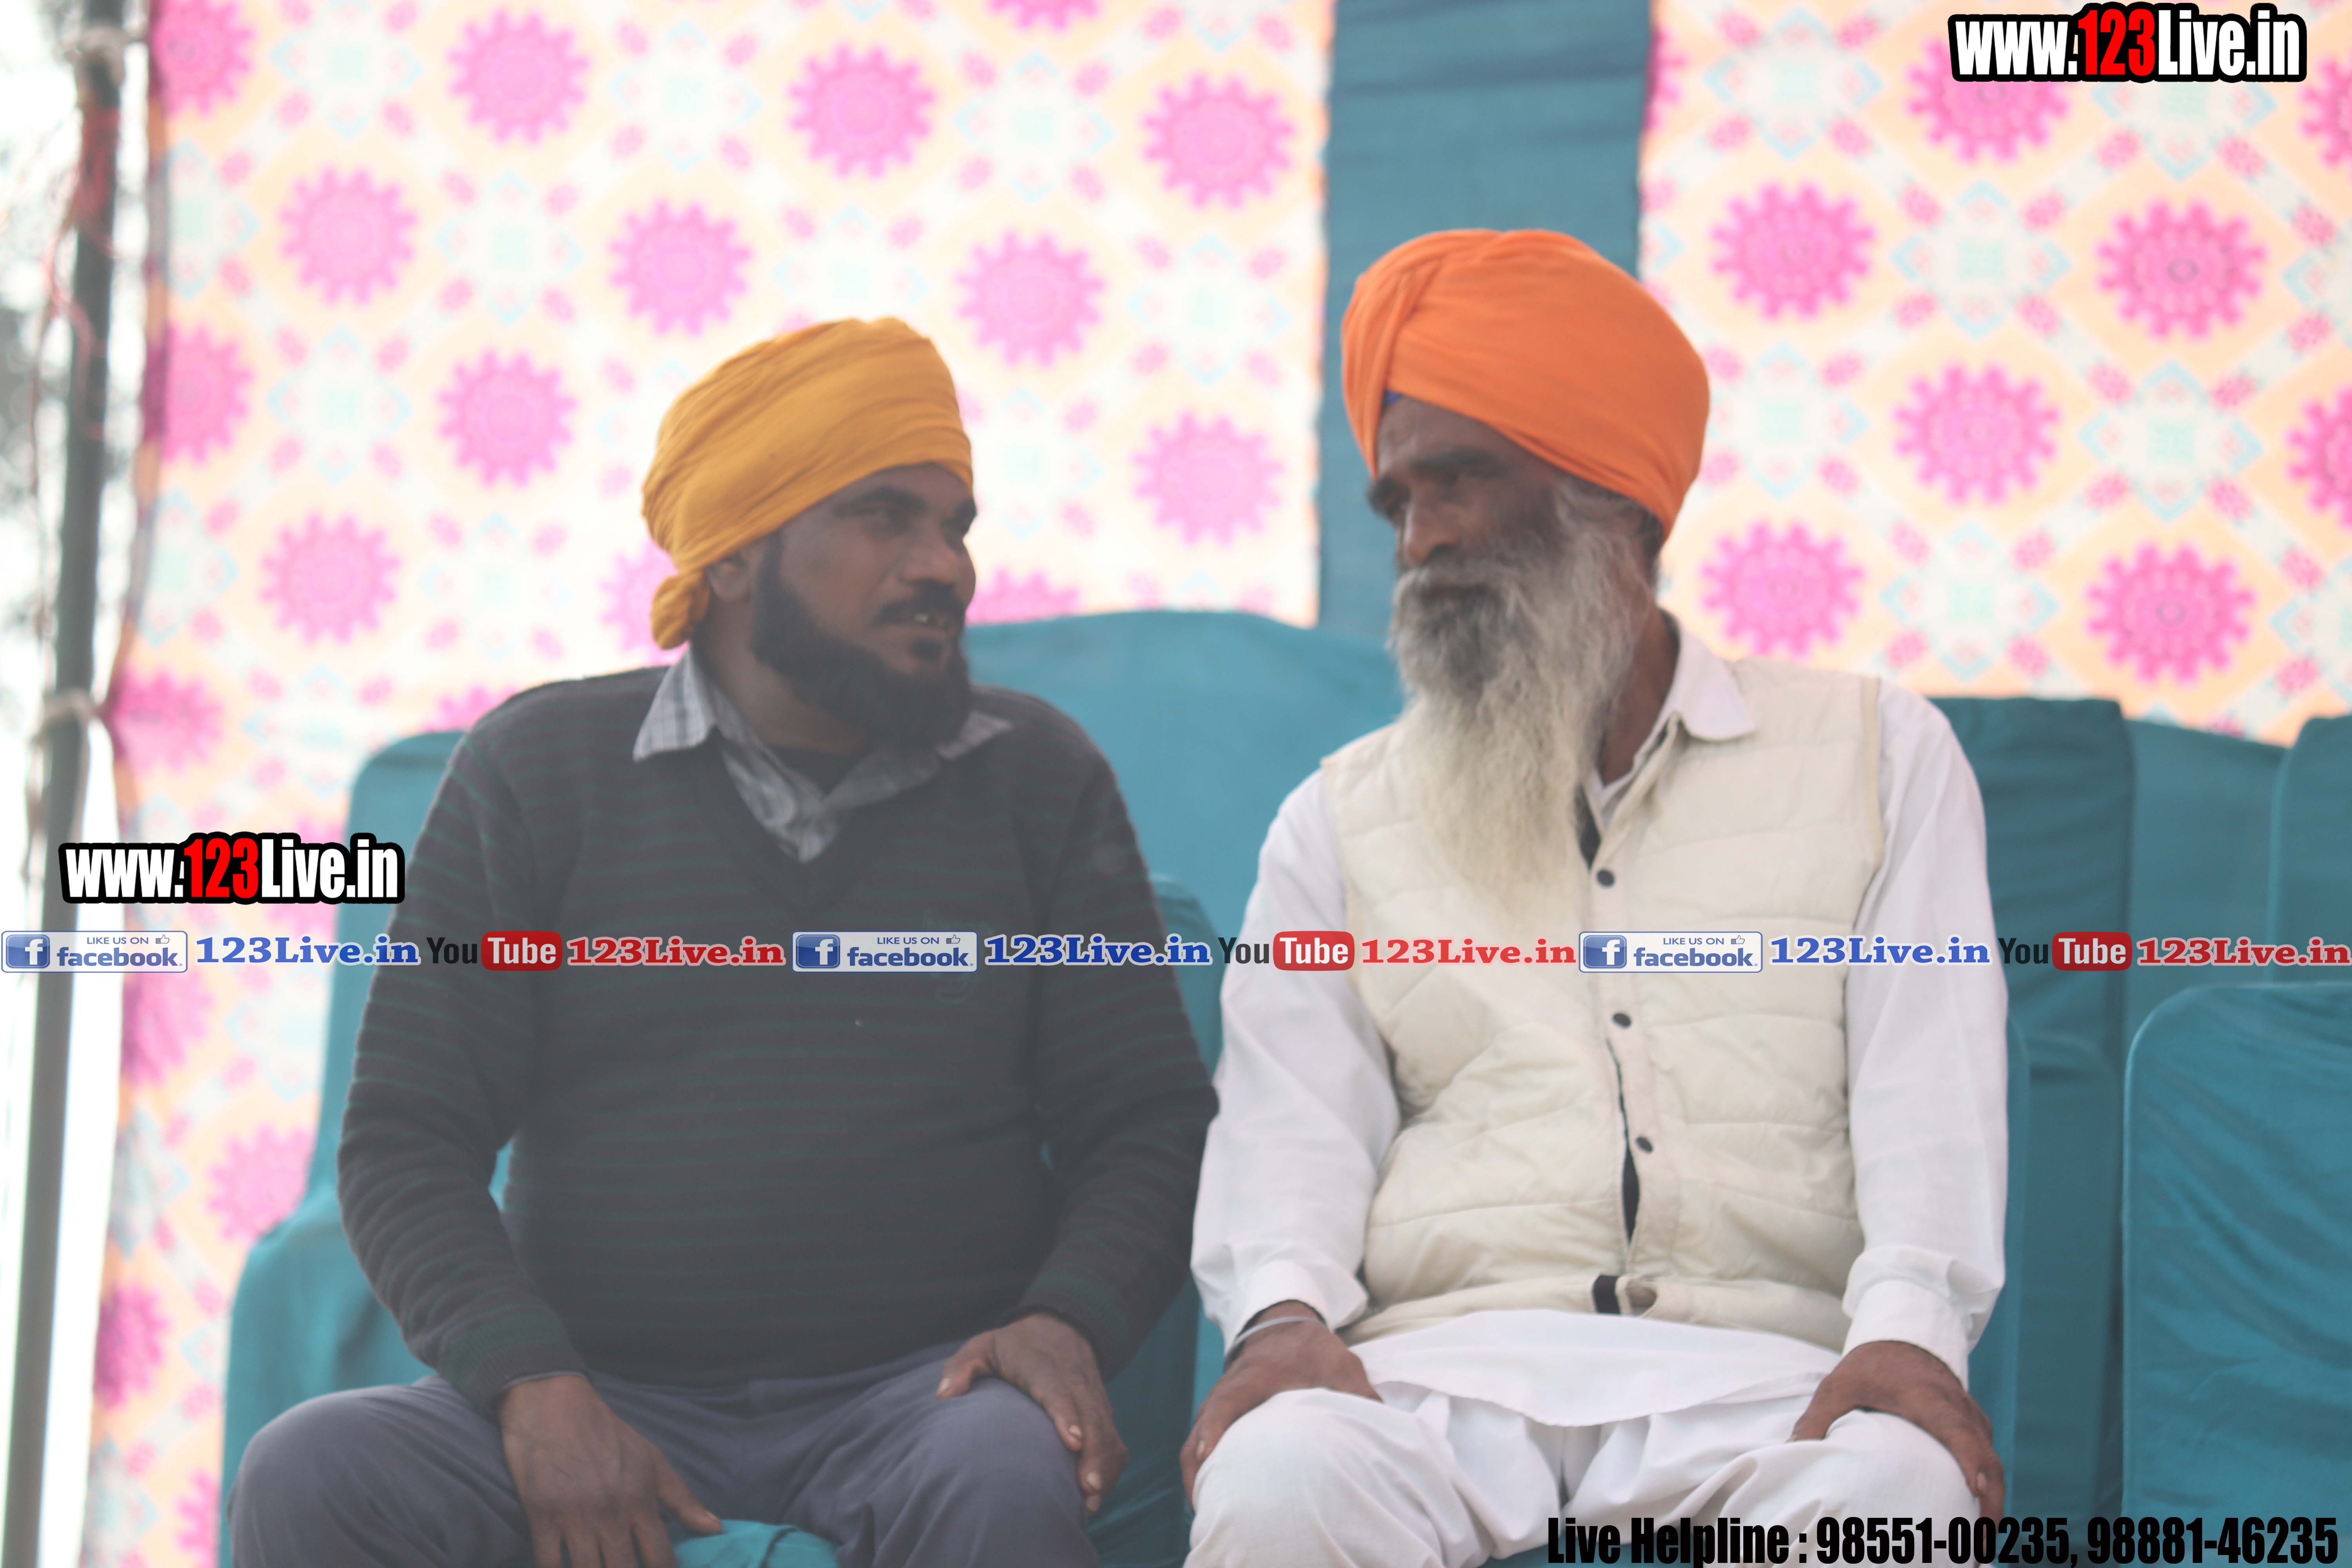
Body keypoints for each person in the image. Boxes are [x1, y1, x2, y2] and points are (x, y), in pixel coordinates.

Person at [230, 318, 1218, 1568]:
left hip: (923, 1403)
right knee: (313, 1472)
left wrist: (1066, 1320)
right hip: (596, 1388)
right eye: (886, 518)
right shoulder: (536, 772)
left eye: (955, 525)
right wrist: (531, 1384)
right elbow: (405, 1138)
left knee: (1002, 1477)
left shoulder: (1040, 780)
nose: (945, 567)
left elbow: (1146, 1119)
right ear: (739, 554)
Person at [1183, 231, 2008, 1566]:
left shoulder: (1879, 757)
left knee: (1895, 1505)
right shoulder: (1339, 818)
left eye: (1459, 480)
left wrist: (1911, 1329)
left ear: (1613, 493)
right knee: (1281, 1476)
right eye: (1398, 506)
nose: (1422, 541)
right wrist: (1281, 1317)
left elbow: (1933, 1086)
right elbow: (1292, 1127)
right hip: (1439, 1384)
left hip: (1766, 1382)